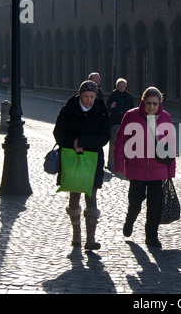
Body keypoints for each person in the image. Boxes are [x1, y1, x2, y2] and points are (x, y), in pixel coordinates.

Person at [113, 86, 176, 248]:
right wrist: (119, 164)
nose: (151, 107)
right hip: (136, 169)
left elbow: (170, 146)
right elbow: (120, 141)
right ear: (143, 102)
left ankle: (151, 236)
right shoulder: (131, 116)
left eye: (155, 103)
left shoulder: (165, 118)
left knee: (155, 206)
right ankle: (130, 219)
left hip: (158, 169)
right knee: (135, 201)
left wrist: (171, 170)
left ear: (160, 103)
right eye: (148, 103)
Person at [53, 80, 111, 250]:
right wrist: (73, 143)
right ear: (80, 95)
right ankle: (76, 234)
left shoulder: (101, 111)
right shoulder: (68, 109)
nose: (89, 100)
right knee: (74, 197)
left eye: (92, 97)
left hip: (93, 160)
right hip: (71, 158)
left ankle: (91, 239)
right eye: (85, 96)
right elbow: (58, 132)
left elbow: (105, 136)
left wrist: (83, 142)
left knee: (91, 196)